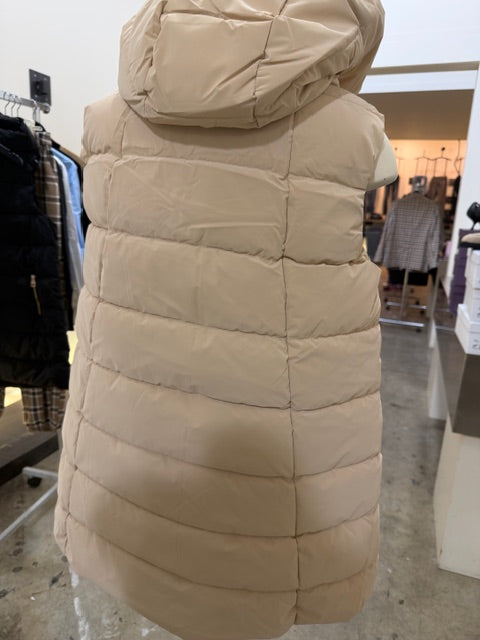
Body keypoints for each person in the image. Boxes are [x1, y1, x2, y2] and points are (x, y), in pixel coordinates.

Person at [55, 2, 390, 639]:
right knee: (251, 583)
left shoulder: (104, 122)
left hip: (124, 459)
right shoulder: (355, 133)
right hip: (267, 470)